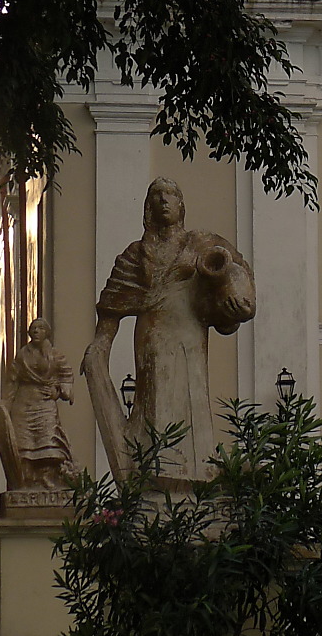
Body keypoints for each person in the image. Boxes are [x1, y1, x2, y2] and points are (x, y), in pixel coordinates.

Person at [81, 177, 256, 482]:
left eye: (170, 194)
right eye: (156, 195)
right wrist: (100, 345)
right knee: (155, 396)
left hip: (190, 336)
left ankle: (198, 470)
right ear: (148, 207)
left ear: (180, 205)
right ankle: (157, 467)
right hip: (152, 337)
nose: (163, 200)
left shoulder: (202, 243)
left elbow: (234, 278)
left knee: (193, 395)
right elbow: (112, 307)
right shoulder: (135, 255)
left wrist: (238, 305)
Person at [0, 317, 75, 490]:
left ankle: (47, 477)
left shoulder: (55, 355)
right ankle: (27, 481)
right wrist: (6, 404)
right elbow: (12, 380)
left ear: (46, 332)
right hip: (23, 404)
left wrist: (58, 391)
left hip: (45, 403)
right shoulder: (22, 355)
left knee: (48, 438)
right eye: (33, 328)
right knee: (24, 443)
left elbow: (66, 375)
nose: (36, 331)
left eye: (40, 328)